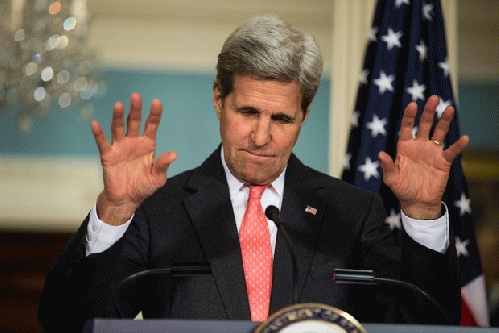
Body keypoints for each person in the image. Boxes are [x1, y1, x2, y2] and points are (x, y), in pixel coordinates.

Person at [38, 14, 468, 332]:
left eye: (281, 118)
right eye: (247, 111)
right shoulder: (158, 210)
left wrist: (423, 215)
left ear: (304, 114)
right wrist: (114, 212)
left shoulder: (353, 214)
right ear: (218, 100)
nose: (261, 136)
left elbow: (424, 326)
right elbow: (67, 323)